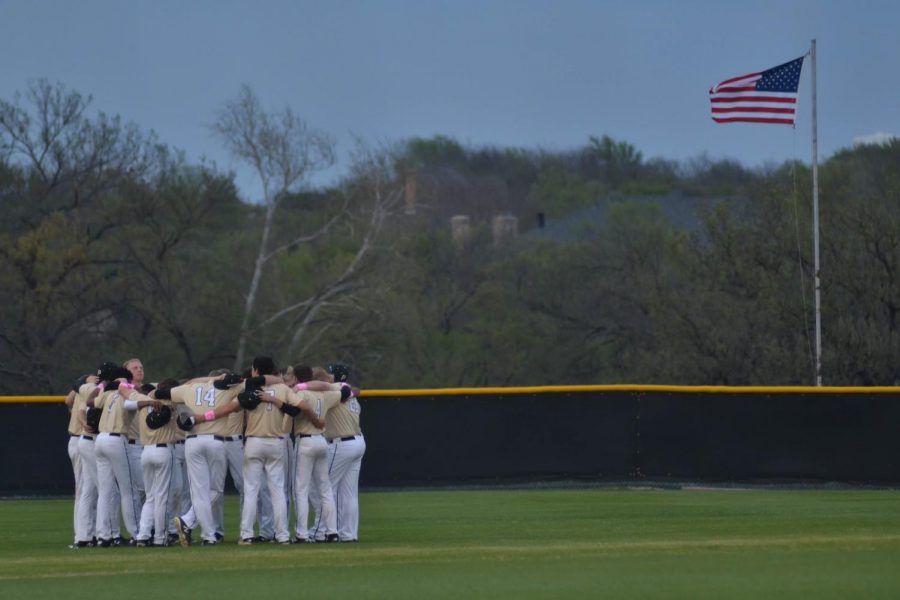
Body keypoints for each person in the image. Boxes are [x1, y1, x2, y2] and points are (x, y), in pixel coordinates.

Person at [286, 364, 345, 543]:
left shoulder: (299, 393)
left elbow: (294, 410)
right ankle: (332, 531)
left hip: (305, 440)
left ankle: (302, 534)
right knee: (325, 489)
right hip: (321, 440)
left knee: (301, 490)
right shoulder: (325, 393)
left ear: (296, 378)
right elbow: (347, 392)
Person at [87, 365, 143, 546]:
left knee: (105, 491)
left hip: (101, 440)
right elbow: (140, 399)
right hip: (117, 440)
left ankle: (105, 536)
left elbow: (89, 401)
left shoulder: (108, 393)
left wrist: (103, 385)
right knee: (129, 490)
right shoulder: (128, 392)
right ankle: (136, 534)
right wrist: (128, 387)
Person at [117, 380, 177, 547]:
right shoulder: (170, 401)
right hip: (164, 450)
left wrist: (147, 398)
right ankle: (160, 538)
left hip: (146, 452)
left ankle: (143, 536)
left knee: (150, 497)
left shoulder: (142, 399)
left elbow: (122, 389)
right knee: (161, 497)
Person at [319, 363, 365, 543]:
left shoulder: (334, 390)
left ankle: (323, 531)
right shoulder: (348, 391)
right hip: (358, 441)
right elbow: (356, 389)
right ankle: (349, 534)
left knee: (326, 488)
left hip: (341, 444)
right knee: (349, 492)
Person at [66, 372, 99, 548]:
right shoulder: (90, 389)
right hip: (80, 438)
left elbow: (67, 401)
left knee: (89, 490)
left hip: (79, 440)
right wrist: (83, 382)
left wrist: (79, 383)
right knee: (84, 491)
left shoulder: (81, 389)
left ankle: (88, 533)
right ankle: (81, 535)